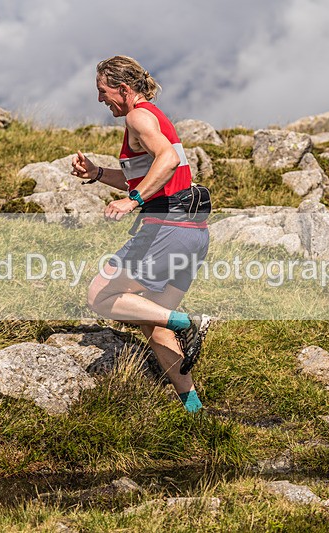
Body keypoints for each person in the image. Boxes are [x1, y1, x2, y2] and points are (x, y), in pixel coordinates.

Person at [71, 55, 211, 413]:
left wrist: (132, 200)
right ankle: (194, 410)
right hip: (192, 233)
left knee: (100, 296)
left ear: (123, 88)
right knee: (154, 324)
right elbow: (150, 171)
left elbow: (166, 159)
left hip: (167, 228)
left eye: (103, 92)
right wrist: (98, 173)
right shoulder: (153, 117)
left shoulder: (138, 115)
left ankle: (188, 322)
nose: (100, 100)